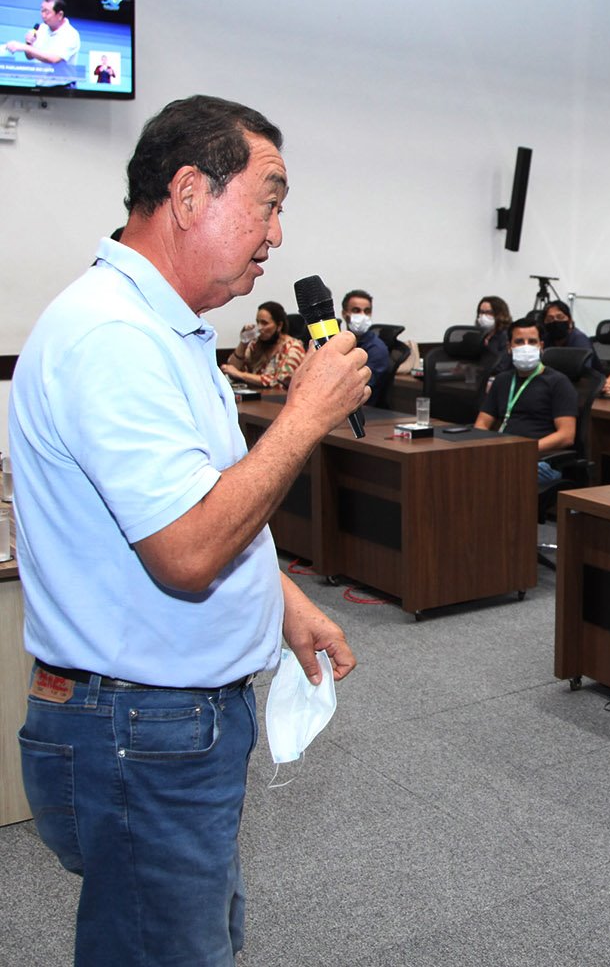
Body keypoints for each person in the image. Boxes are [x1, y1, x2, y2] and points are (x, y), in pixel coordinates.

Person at [8, 94, 365, 965]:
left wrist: (281, 601)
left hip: (163, 717)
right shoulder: (113, 338)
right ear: (189, 192)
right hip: (140, 723)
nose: (276, 234)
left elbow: (197, 501)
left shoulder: (167, 329)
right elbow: (189, 550)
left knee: (189, 934)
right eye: (268, 202)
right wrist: (304, 416)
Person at [474, 317, 577, 490]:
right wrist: (489, 448)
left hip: (540, 460)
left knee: (494, 474)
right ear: (509, 347)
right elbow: (482, 423)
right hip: (503, 454)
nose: (526, 346)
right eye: (519, 342)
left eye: (532, 342)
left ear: (541, 346)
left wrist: (523, 450)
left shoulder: (558, 382)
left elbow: (566, 435)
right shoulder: (502, 380)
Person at [222, 299, 306, 389]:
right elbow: (232, 369)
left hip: (279, 396)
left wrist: (241, 375)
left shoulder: (293, 348)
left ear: (279, 326)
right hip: (255, 394)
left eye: (264, 323)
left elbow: (279, 381)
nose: (260, 327)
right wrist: (243, 342)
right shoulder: (256, 345)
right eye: (257, 322)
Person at [4, 0, 81, 86]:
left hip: (63, 88)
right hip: (40, 86)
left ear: (60, 15)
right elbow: (30, 56)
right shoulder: (41, 28)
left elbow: (53, 59)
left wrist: (23, 47)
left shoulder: (71, 34)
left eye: (47, 12)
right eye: (42, 10)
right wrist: (29, 43)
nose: (43, 15)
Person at [340, 288, 395, 399]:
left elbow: (358, 387)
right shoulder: (340, 342)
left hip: (362, 404)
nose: (362, 315)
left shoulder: (377, 349)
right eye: (356, 310)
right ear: (344, 314)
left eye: (367, 311)